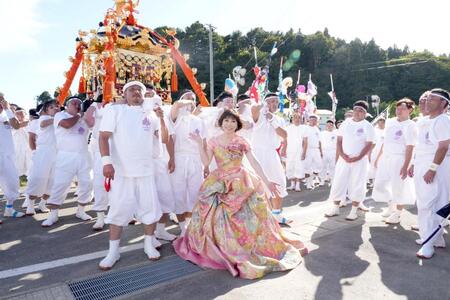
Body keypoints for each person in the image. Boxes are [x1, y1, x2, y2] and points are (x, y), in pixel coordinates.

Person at [173, 109, 307, 279]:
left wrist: (266, 181)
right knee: (213, 215)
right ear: (220, 123)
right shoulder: (213, 141)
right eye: (226, 121)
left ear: (237, 124)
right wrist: (200, 144)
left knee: (253, 215)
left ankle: (245, 247)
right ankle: (221, 248)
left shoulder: (242, 141)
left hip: (241, 181)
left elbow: (254, 162)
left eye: (233, 121)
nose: (229, 124)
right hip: (220, 181)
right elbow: (206, 162)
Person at [98, 81, 163, 269]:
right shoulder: (115, 111)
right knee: (118, 211)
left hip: (146, 171)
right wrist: (106, 162)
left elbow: (163, 138)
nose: (136, 92)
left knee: (150, 210)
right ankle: (113, 252)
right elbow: (103, 137)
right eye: (131, 90)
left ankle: (149, 245)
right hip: (122, 172)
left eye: (139, 90)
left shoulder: (151, 114)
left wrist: (162, 117)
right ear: (124, 94)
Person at [42, 97, 93, 227]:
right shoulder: (60, 115)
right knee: (61, 184)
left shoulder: (83, 118)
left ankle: (81, 211)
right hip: (66, 156)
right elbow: (67, 125)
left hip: (83, 155)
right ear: (66, 105)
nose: (77, 104)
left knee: (87, 183)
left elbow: (93, 125)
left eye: (79, 103)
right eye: (73, 103)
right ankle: (53, 215)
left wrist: (88, 113)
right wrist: (78, 115)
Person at [411, 89, 450, 259]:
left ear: (444, 104)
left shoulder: (443, 120)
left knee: (432, 204)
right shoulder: (425, 121)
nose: (428, 101)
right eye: (427, 98)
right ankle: (436, 238)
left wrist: (432, 168)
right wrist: (413, 163)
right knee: (424, 203)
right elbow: (420, 145)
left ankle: (428, 244)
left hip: (436, 166)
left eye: (433, 99)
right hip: (422, 164)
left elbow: (443, 146)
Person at [325, 100, 375, 221]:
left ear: (365, 113)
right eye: (356, 110)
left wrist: (358, 157)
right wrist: (342, 155)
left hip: (359, 161)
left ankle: (353, 211)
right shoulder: (345, 123)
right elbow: (339, 140)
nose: (357, 112)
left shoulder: (367, 126)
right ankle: (335, 207)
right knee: (338, 182)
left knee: (357, 184)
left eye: (361, 111)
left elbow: (369, 144)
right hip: (344, 159)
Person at [372, 98, 417, 224]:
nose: (399, 111)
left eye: (403, 108)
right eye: (397, 108)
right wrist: (379, 157)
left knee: (399, 187)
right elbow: (384, 141)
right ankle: (391, 206)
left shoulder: (411, 126)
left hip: (399, 158)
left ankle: (397, 213)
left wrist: (406, 165)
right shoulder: (390, 122)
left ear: (410, 110)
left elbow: (410, 147)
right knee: (381, 184)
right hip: (386, 157)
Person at [170, 91, 206, 236]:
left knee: (195, 194)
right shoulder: (175, 117)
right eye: (187, 99)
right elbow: (176, 105)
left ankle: (191, 225)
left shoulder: (199, 121)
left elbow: (204, 143)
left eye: (193, 100)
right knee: (178, 194)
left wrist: (206, 165)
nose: (190, 102)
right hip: (179, 159)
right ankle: (182, 228)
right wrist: (186, 101)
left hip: (195, 160)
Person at [251, 93, 289, 224]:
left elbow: (284, 135)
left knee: (279, 183)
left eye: (276, 102)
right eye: (271, 101)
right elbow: (254, 109)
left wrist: (272, 120)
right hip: (256, 154)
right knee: (256, 185)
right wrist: (262, 104)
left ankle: (277, 214)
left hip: (272, 154)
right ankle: (258, 216)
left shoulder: (279, 119)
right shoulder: (258, 113)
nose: (274, 104)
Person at [25, 100, 60, 215]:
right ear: (45, 110)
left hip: (57, 153)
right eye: (52, 107)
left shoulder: (59, 119)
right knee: (38, 178)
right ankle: (30, 205)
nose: (55, 109)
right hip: (43, 152)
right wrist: (59, 117)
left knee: (53, 181)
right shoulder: (43, 119)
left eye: (56, 107)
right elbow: (43, 124)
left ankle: (42, 203)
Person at [84, 94, 110, 231]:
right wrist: (94, 105)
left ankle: (124, 214)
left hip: (119, 149)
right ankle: (100, 217)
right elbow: (89, 121)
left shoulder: (121, 106)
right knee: (100, 182)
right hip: (100, 149)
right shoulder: (96, 106)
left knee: (121, 183)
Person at [0, 94, 25, 223]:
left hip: (8, 155)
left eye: (1, 101)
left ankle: (9, 209)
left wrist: (8, 109)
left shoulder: (6, 114)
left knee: (12, 183)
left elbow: (16, 126)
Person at [286, 112, 308, 191]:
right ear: (292, 119)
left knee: (299, 167)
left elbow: (305, 142)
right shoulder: (288, 128)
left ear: (301, 119)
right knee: (290, 167)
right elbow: (285, 140)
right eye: (295, 117)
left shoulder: (304, 128)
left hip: (299, 151)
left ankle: (298, 185)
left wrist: (304, 153)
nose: (297, 119)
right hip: (290, 151)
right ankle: (292, 185)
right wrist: (284, 150)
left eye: (299, 118)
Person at [305, 114, 323, 189]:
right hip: (308, 149)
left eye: (315, 120)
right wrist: (303, 152)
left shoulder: (317, 129)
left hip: (316, 150)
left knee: (319, 166)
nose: (313, 121)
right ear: (309, 120)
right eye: (312, 120)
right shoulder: (306, 128)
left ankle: (312, 179)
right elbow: (304, 141)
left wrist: (321, 151)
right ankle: (308, 183)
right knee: (307, 167)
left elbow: (319, 141)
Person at [320, 120, 337, 184]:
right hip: (324, 151)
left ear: (333, 126)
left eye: (331, 125)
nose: (329, 126)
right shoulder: (322, 133)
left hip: (333, 151)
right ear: (325, 126)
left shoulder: (336, 134)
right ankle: (322, 180)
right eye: (328, 125)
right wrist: (320, 152)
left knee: (332, 166)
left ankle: (332, 180)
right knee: (323, 166)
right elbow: (319, 143)